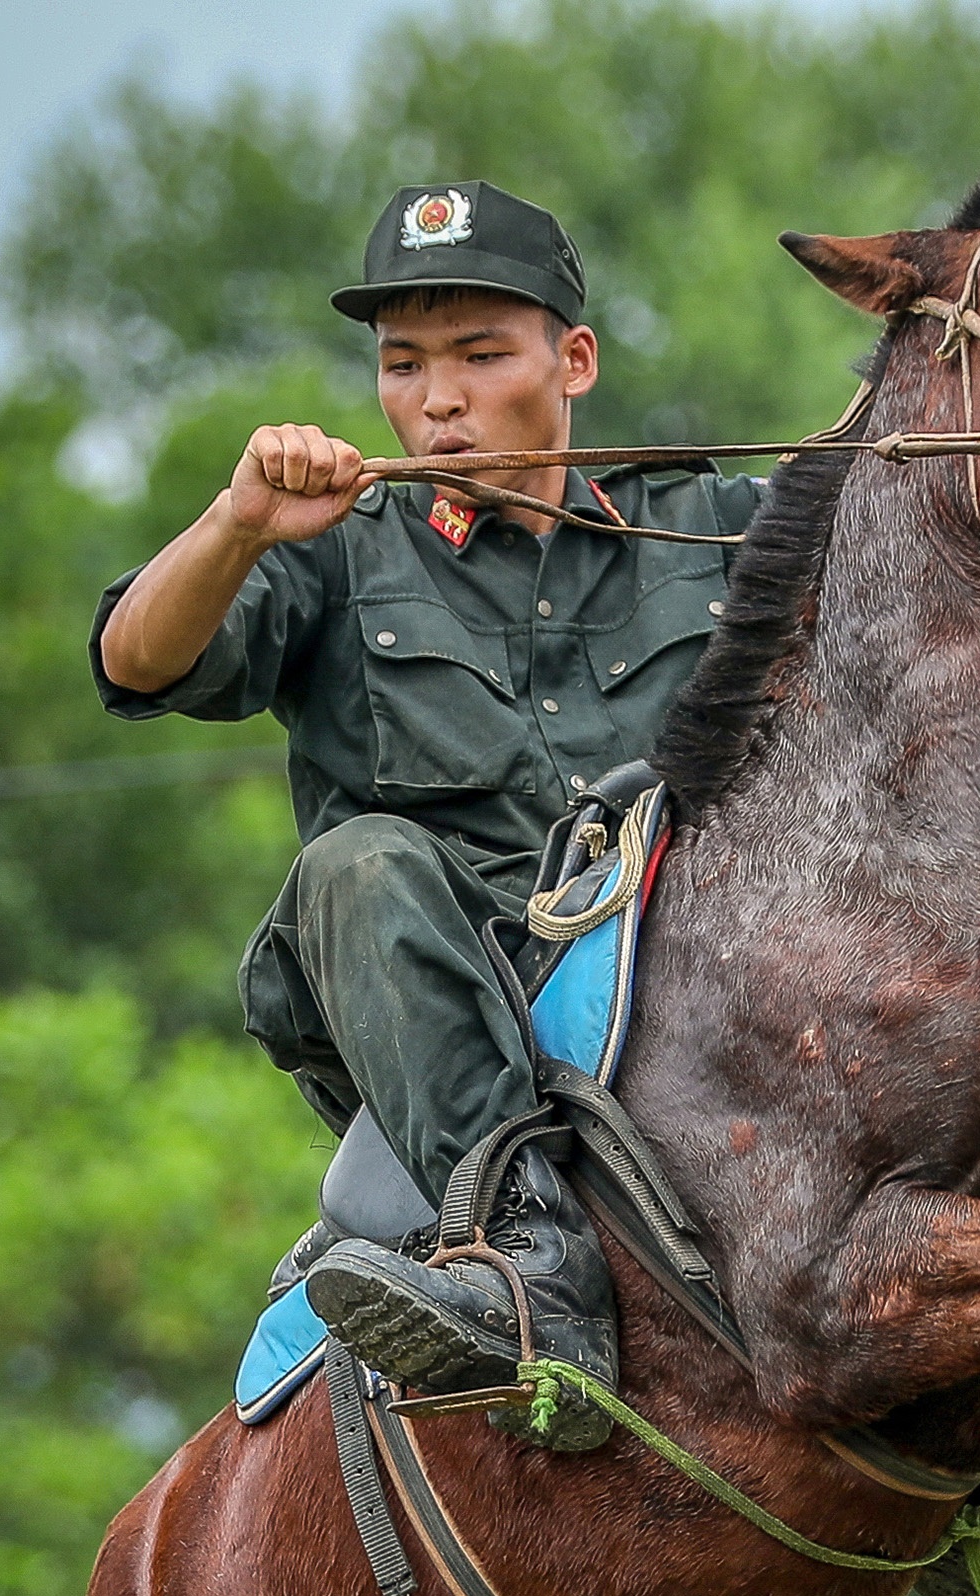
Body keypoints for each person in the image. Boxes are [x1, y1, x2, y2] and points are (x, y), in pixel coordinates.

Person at [93, 180, 760, 1443]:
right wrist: (238, 524)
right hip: (453, 1025)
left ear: (574, 359)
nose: (435, 397)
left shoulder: (714, 528)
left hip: (708, 993)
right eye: (402, 364)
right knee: (360, 859)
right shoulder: (331, 544)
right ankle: (518, 1266)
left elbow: (931, 572)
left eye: (478, 355)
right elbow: (136, 659)